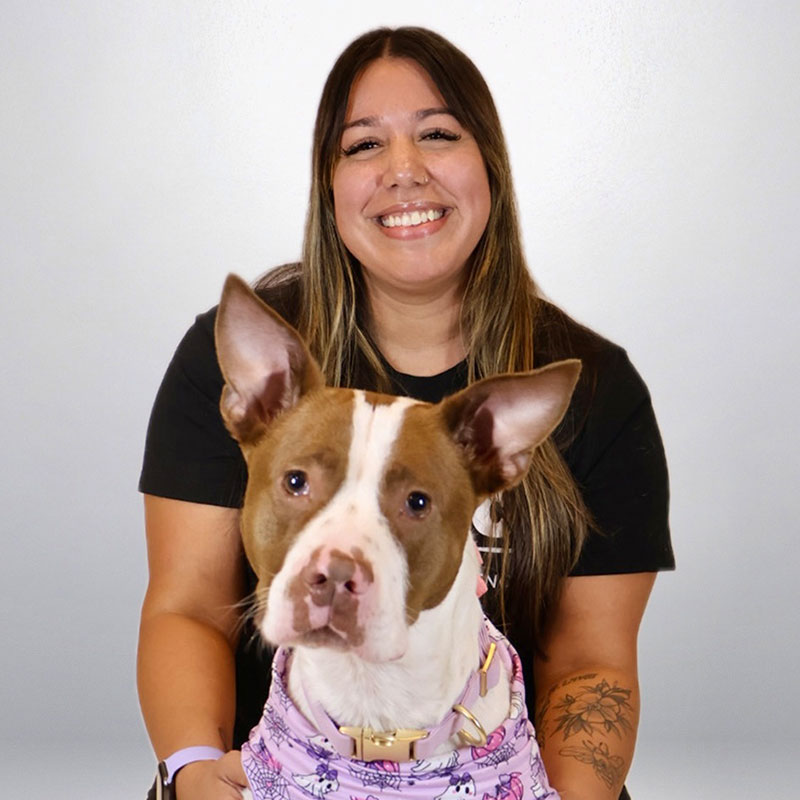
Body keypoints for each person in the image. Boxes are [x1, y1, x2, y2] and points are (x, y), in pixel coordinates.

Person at [138, 26, 673, 800]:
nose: (404, 170)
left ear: (489, 164)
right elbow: (187, 607)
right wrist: (193, 773)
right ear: (328, 182)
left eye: (437, 134)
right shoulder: (262, 373)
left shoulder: (595, 388)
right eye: (362, 146)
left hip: (509, 772)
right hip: (269, 772)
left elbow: (593, 661)